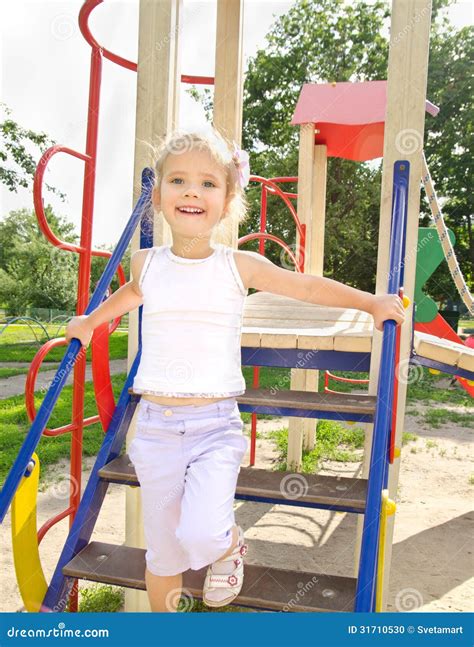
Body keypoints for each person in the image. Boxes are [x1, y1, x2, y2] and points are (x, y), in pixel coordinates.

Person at [65, 127, 405, 613]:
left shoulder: (237, 266)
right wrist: (91, 320)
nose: (191, 192)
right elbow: (131, 296)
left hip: (213, 426)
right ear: (158, 196)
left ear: (226, 201)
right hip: (156, 429)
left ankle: (227, 545)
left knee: (201, 533)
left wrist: (369, 302)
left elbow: (305, 288)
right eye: (178, 180)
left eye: (208, 183)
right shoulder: (146, 264)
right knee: (164, 552)